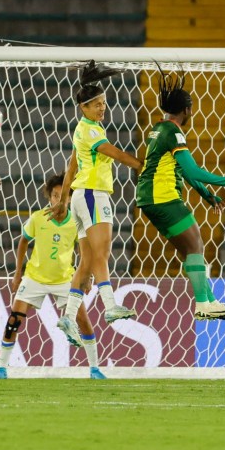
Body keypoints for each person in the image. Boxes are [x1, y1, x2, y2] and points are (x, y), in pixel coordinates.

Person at [135, 64, 225, 321]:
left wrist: (206, 194)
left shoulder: (159, 128)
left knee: (191, 250)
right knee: (196, 242)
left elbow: (183, 172)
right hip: (162, 197)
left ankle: (209, 301)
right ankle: (203, 304)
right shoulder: (173, 132)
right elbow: (193, 170)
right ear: (186, 110)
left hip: (151, 198)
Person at [49, 61, 143, 346]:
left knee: (88, 260)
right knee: (102, 252)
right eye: (97, 105)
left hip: (80, 196)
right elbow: (112, 152)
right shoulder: (91, 132)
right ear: (84, 107)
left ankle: (68, 315)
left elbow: (71, 166)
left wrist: (64, 199)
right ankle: (110, 305)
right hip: (92, 194)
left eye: (104, 103)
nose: (103, 108)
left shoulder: (82, 131)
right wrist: (143, 165)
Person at [0, 173, 107, 380]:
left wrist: (86, 277)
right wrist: (18, 274)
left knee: (83, 320)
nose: (58, 200)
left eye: (62, 196)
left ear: (69, 198)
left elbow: (83, 252)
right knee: (14, 320)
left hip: (65, 280)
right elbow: (23, 242)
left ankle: (95, 368)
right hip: (34, 278)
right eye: (54, 195)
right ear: (49, 197)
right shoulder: (38, 217)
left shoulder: (76, 222)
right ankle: (1, 368)